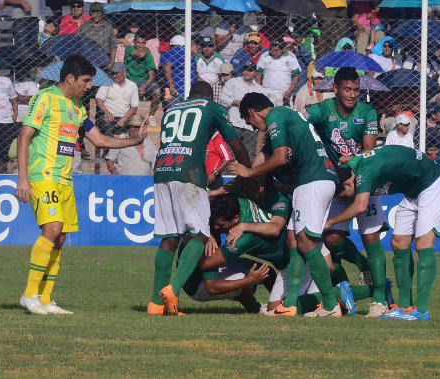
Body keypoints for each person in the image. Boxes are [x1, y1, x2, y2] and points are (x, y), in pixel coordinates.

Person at [15, 54, 147, 315]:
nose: (89, 86)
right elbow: (24, 136)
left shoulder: (78, 107)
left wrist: (134, 141)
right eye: (86, 81)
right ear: (70, 78)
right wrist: (22, 178)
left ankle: (45, 299)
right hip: (43, 176)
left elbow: (98, 139)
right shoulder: (44, 98)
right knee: (52, 229)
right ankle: (29, 295)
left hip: (65, 180)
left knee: (61, 237)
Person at [228, 92, 341, 318]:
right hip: (317, 179)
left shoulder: (276, 115)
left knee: (307, 244)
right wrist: (229, 187)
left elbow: (279, 158)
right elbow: (266, 156)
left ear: (252, 112)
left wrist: (248, 172)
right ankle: (289, 304)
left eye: (253, 124)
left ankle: (330, 302)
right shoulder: (289, 116)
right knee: (293, 239)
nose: (260, 129)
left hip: (313, 181)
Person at [149, 81, 250, 316]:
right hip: (190, 172)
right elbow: (235, 143)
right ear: (209, 96)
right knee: (200, 235)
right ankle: (173, 291)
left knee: (170, 236)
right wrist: (249, 169)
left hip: (163, 170)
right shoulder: (212, 107)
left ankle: (155, 303)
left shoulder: (172, 108)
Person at [330, 145, 440, 320]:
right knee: (398, 243)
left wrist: (331, 221)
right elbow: (360, 158)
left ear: (349, 182)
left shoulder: (364, 173)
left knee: (423, 243)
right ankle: (404, 307)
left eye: (346, 194)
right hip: (413, 191)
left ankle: (422, 310)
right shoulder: (356, 165)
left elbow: (360, 206)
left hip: (433, 184)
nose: (347, 198)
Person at [307, 67, 390, 317]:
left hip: (364, 179)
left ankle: (379, 299)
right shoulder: (322, 109)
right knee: (331, 238)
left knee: (371, 238)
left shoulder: (368, 112)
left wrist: (353, 161)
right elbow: (301, 125)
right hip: (338, 184)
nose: (353, 95)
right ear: (335, 89)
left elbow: (368, 150)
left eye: (356, 90)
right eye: (347, 89)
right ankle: (362, 267)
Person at [219, 60, 265, 160]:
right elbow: (223, 98)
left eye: (250, 70)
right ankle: (228, 174)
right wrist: (233, 102)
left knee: (248, 155)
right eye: (245, 70)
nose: (247, 72)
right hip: (234, 123)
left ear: (255, 73)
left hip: (251, 127)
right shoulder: (233, 82)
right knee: (230, 153)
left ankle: (246, 174)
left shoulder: (260, 89)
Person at [124, 33, 162, 127]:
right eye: (138, 42)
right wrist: (146, 48)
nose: (140, 45)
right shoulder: (129, 49)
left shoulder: (148, 55)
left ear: (146, 43)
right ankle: (127, 119)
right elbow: (140, 55)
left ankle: (151, 117)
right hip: (129, 80)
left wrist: (145, 86)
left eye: (143, 43)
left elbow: (151, 75)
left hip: (143, 82)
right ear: (134, 42)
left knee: (157, 91)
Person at [95, 62, 139, 137]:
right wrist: (107, 112)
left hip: (125, 116)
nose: (114, 76)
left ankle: (133, 146)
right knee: (107, 125)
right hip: (109, 116)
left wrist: (124, 119)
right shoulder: (107, 83)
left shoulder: (132, 85)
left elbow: (134, 107)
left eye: (117, 73)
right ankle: (109, 148)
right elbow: (98, 99)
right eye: (113, 73)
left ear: (124, 72)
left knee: (139, 125)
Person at [256, 38, 301, 107]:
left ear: (283, 49)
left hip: (284, 94)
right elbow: (258, 74)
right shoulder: (265, 56)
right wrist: (258, 91)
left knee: (284, 116)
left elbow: (297, 76)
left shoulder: (291, 57)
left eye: (276, 50)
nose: (272, 52)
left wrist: (289, 91)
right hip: (267, 94)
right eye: (271, 49)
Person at [159, 35, 199, 109]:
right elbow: (166, 67)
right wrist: (172, 87)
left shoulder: (166, 54)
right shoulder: (180, 51)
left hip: (178, 92)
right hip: (177, 93)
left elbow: (162, 75)